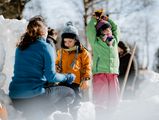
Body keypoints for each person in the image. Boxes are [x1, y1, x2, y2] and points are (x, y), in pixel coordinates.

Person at [9, 16, 76, 120]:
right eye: (46, 28)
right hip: (33, 98)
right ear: (43, 30)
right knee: (70, 93)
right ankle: (43, 115)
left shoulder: (21, 47)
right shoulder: (45, 46)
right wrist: (66, 77)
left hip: (16, 99)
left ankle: (32, 113)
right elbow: (51, 76)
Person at [56, 21, 92, 120]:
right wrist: (56, 68)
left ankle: (74, 115)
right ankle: (63, 115)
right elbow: (56, 63)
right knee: (60, 99)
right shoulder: (60, 52)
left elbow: (87, 66)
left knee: (75, 101)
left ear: (75, 40)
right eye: (65, 41)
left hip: (75, 82)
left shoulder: (82, 52)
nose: (67, 44)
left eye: (70, 41)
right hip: (62, 80)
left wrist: (86, 79)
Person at [86, 10, 120, 113]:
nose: (108, 30)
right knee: (101, 100)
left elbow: (116, 28)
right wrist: (94, 20)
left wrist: (107, 19)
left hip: (113, 73)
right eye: (105, 29)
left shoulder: (115, 41)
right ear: (100, 31)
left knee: (114, 100)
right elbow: (90, 31)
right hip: (100, 73)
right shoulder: (96, 42)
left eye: (109, 28)